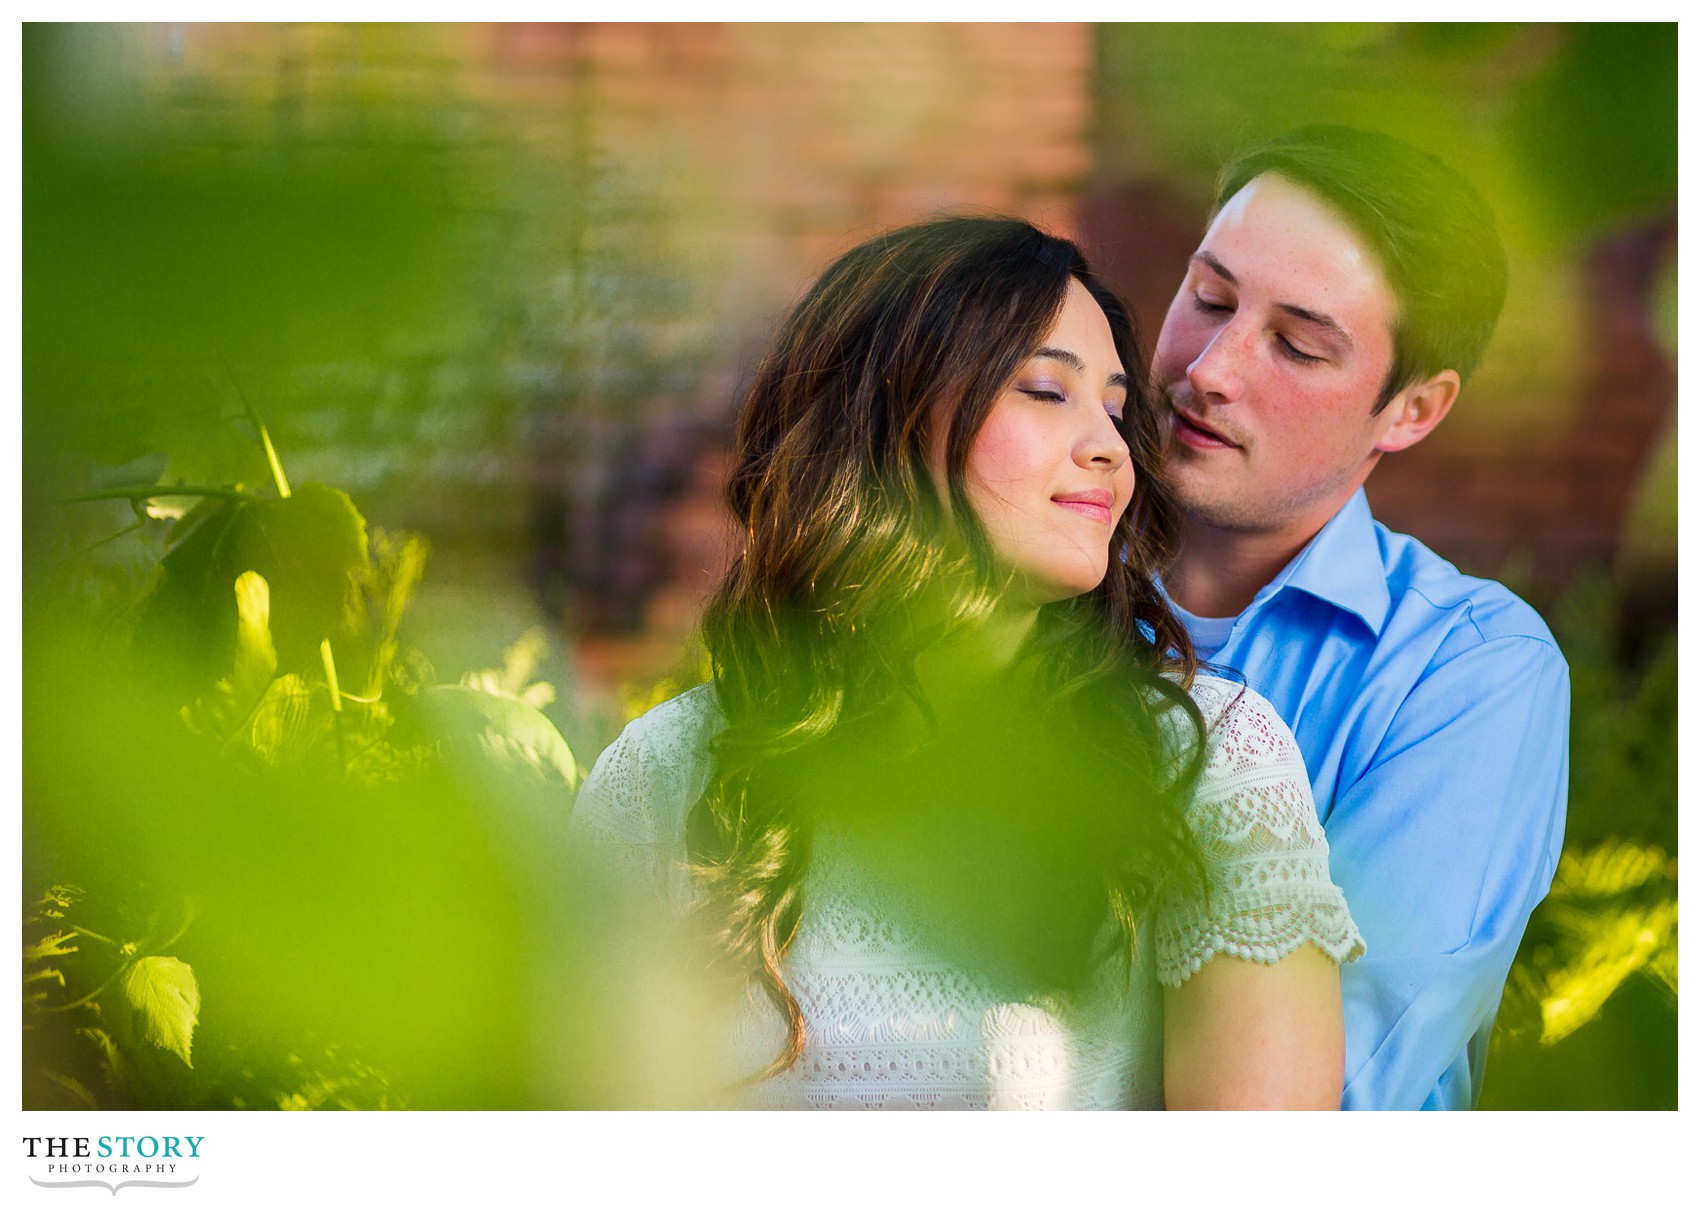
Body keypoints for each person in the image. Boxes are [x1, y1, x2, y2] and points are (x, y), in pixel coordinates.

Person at [568, 216, 1363, 1110]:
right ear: (883, 423)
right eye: (1044, 391)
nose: (1109, 448)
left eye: (1111, 406)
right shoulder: (664, 775)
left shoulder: (1205, 760)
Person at [1149, 124, 1569, 1109]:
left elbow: (1322, 1097)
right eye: (1206, 298)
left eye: (1296, 346)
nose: (1209, 367)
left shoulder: (1466, 674)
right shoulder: (1018, 582)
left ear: (1410, 411)